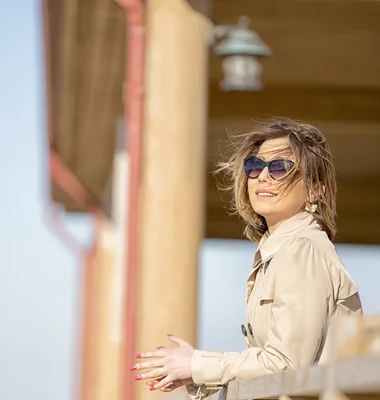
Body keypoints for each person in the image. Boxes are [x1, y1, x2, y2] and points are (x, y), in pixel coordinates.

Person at [129, 117, 363, 399]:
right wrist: (194, 370)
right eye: (255, 166)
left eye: (280, 167)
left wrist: (197, 364)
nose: (263, 176)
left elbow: (287, 365)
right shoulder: (280, 251)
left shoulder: (303, 250)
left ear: (315, 188)